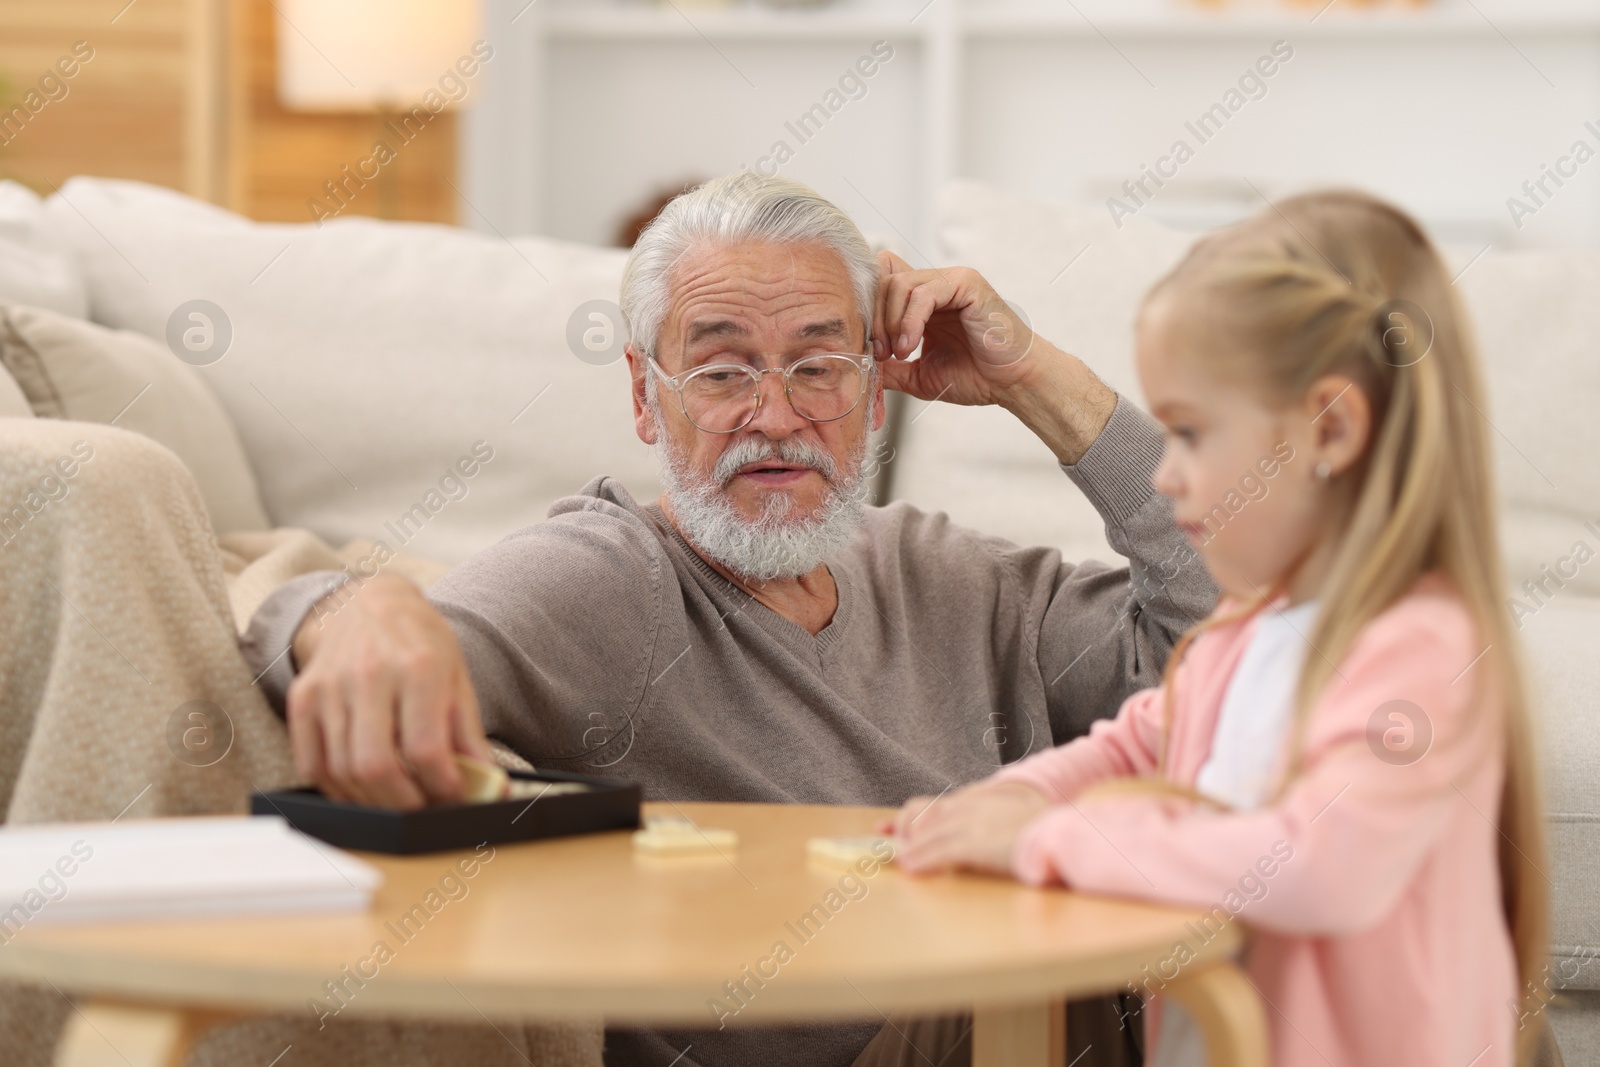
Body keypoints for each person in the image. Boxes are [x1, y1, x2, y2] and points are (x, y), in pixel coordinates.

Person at [240, 171, 1217, 1066]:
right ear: (643, 396)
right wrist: (361, 603)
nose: (776, 415)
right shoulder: (604, 576)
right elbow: (362, 640)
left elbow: (1229, 653)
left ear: (875, 394)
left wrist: (1032, 376)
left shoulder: (953, 572)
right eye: (720, 371)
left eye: (817, 366)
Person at [887, 190, 1552, 1067]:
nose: (1162, 476)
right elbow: (1131, 746)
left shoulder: (1419, 647)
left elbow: (1319, 861)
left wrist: (1048, 841)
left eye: (1191, 434)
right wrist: (1012, 799)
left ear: (1332, 427)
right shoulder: (1243, 634)